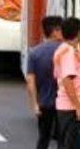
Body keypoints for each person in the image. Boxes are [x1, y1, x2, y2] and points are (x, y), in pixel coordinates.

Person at [25, 16, 64, 149]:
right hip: (64, 103)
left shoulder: (35, 53)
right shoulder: (66, 51)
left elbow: (30, 81)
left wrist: (35, 104)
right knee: (63, 139)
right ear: (56, 31)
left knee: (44, 137)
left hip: (44, 102)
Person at [53, 17, 80, 149]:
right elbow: (67, 80)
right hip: (71, 108)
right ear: (79, 33)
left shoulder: (72, 50)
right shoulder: (67, 52)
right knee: (70, 145)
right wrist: (79, 107)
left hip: (72, 107)